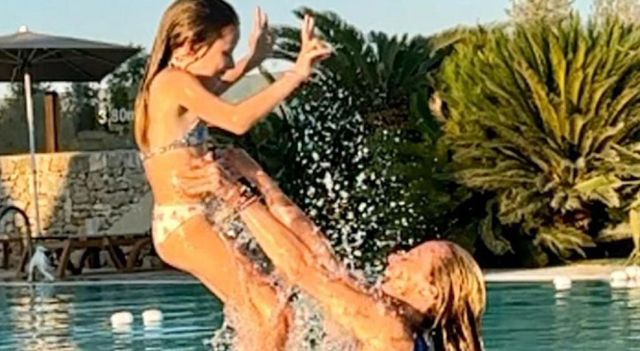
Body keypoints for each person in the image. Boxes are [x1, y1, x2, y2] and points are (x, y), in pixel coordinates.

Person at [134, 0, 331, 349]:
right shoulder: (172, 83)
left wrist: (253, 60)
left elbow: (219, 84)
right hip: (183, 224)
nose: (227, 62)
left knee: (262, 311)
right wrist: (296, 74)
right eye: (226, 51)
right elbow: (235, 119)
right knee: (273, 311)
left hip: (194, 220)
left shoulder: (176, 82)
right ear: (192, 45)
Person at [177, 149, 487, 351]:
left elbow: (302, 270)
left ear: (431, 292)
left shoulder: (388, 328)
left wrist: (234, 194)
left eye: (410, 258)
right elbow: (318, 253)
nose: (394, 256)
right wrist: (260, 179)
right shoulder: (393, 318)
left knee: (272, 318)